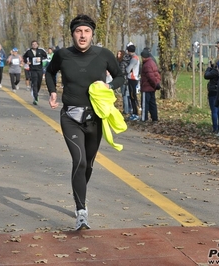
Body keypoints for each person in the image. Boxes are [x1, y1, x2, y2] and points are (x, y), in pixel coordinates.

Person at [45, 14, 124, 230]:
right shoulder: (62, 55)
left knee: (88, 164)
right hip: (70, 117)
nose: (82, 35)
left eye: (86, 31)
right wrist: (52, 92)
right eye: (78, 31)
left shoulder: (103, 54)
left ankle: (80, 191)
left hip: (95, 118)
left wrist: (108, 86)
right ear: (72, 34)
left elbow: (120, 76)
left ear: (92, 34)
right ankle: (81, 212)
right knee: (79, 161)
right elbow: (50, 72)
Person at [139, 47, 161, 123]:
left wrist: (154, 84)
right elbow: (156, 74)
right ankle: (155, 118)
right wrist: (157, 83)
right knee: (152, 103)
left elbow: (150, 77)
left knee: (145, 104)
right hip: (152, 88)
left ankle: (144, 118)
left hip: (146, 87)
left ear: (144, 57)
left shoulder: (146, 65)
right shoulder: (152, 62)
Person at [23, 40, 47, 105]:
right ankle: (35, 97)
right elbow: (24, 57)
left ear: (37, 45)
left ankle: (36, 93)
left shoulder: (41, 51)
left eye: (35, 44)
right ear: (31, 45)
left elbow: (46, 57)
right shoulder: (29, 51)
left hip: (40, 69)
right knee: (35, 82)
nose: (34, 45)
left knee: (39, 82)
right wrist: (26, 62)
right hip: (33, 69)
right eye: (33, 44)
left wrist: (41, 59)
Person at [125, 44, 140, 121]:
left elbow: (128, 69)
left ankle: (135, 114)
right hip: (133, 79)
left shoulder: (134, 59)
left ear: (128, 51)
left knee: (133, 97)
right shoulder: (135, 57)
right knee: (132, 97)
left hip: (133, 79)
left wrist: (126, 68)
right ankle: (134, 112)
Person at [116, 49, 131, 115]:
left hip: (124, 81)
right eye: (118, 54)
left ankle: (126, 110)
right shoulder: (127, 61)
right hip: (127, 81)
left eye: (119, 54)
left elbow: (122, 72)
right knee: (127, 96)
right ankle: (129, 109)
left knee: (124, 96)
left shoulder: (122, 63)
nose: (118, 55)